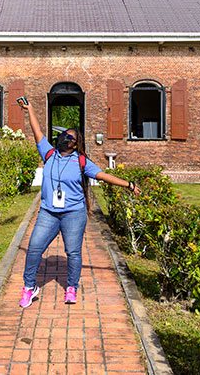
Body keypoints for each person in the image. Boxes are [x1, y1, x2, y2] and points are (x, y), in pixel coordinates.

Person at [18, 97, 141, 308]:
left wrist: (128, 184)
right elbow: (37, 130)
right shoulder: (48, 153)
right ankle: (30, 287)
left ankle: (71, 287)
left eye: (69, 137)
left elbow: (103, 176)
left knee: (73, 252)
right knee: (35, 248)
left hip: (73, 213)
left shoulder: (81, 161)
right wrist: (29, 109)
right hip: (48, 212)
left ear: (76, 143)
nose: (64, 137)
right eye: (64, 134)